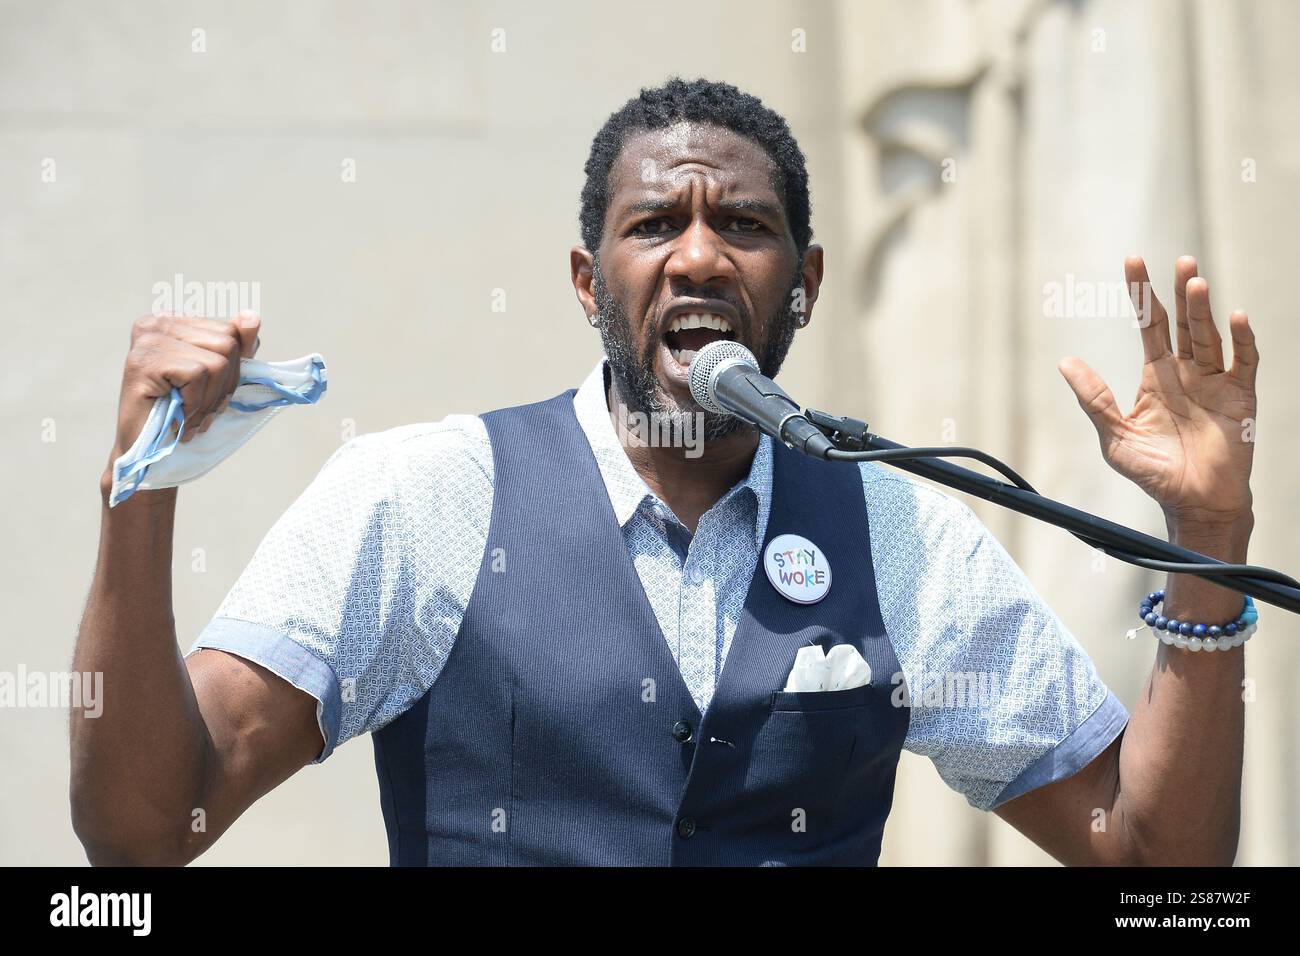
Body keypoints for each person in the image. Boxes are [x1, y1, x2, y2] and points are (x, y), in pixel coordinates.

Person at [70, 78, 1259, 866]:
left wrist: (1206, 538)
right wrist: (143, 489)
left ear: (803, 286)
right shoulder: (417, 498)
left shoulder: (893, 526)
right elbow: (142, 828)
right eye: (653, 226)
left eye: (742, 226)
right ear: (589, 283)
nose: (697, 254)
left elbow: (1153, 861)